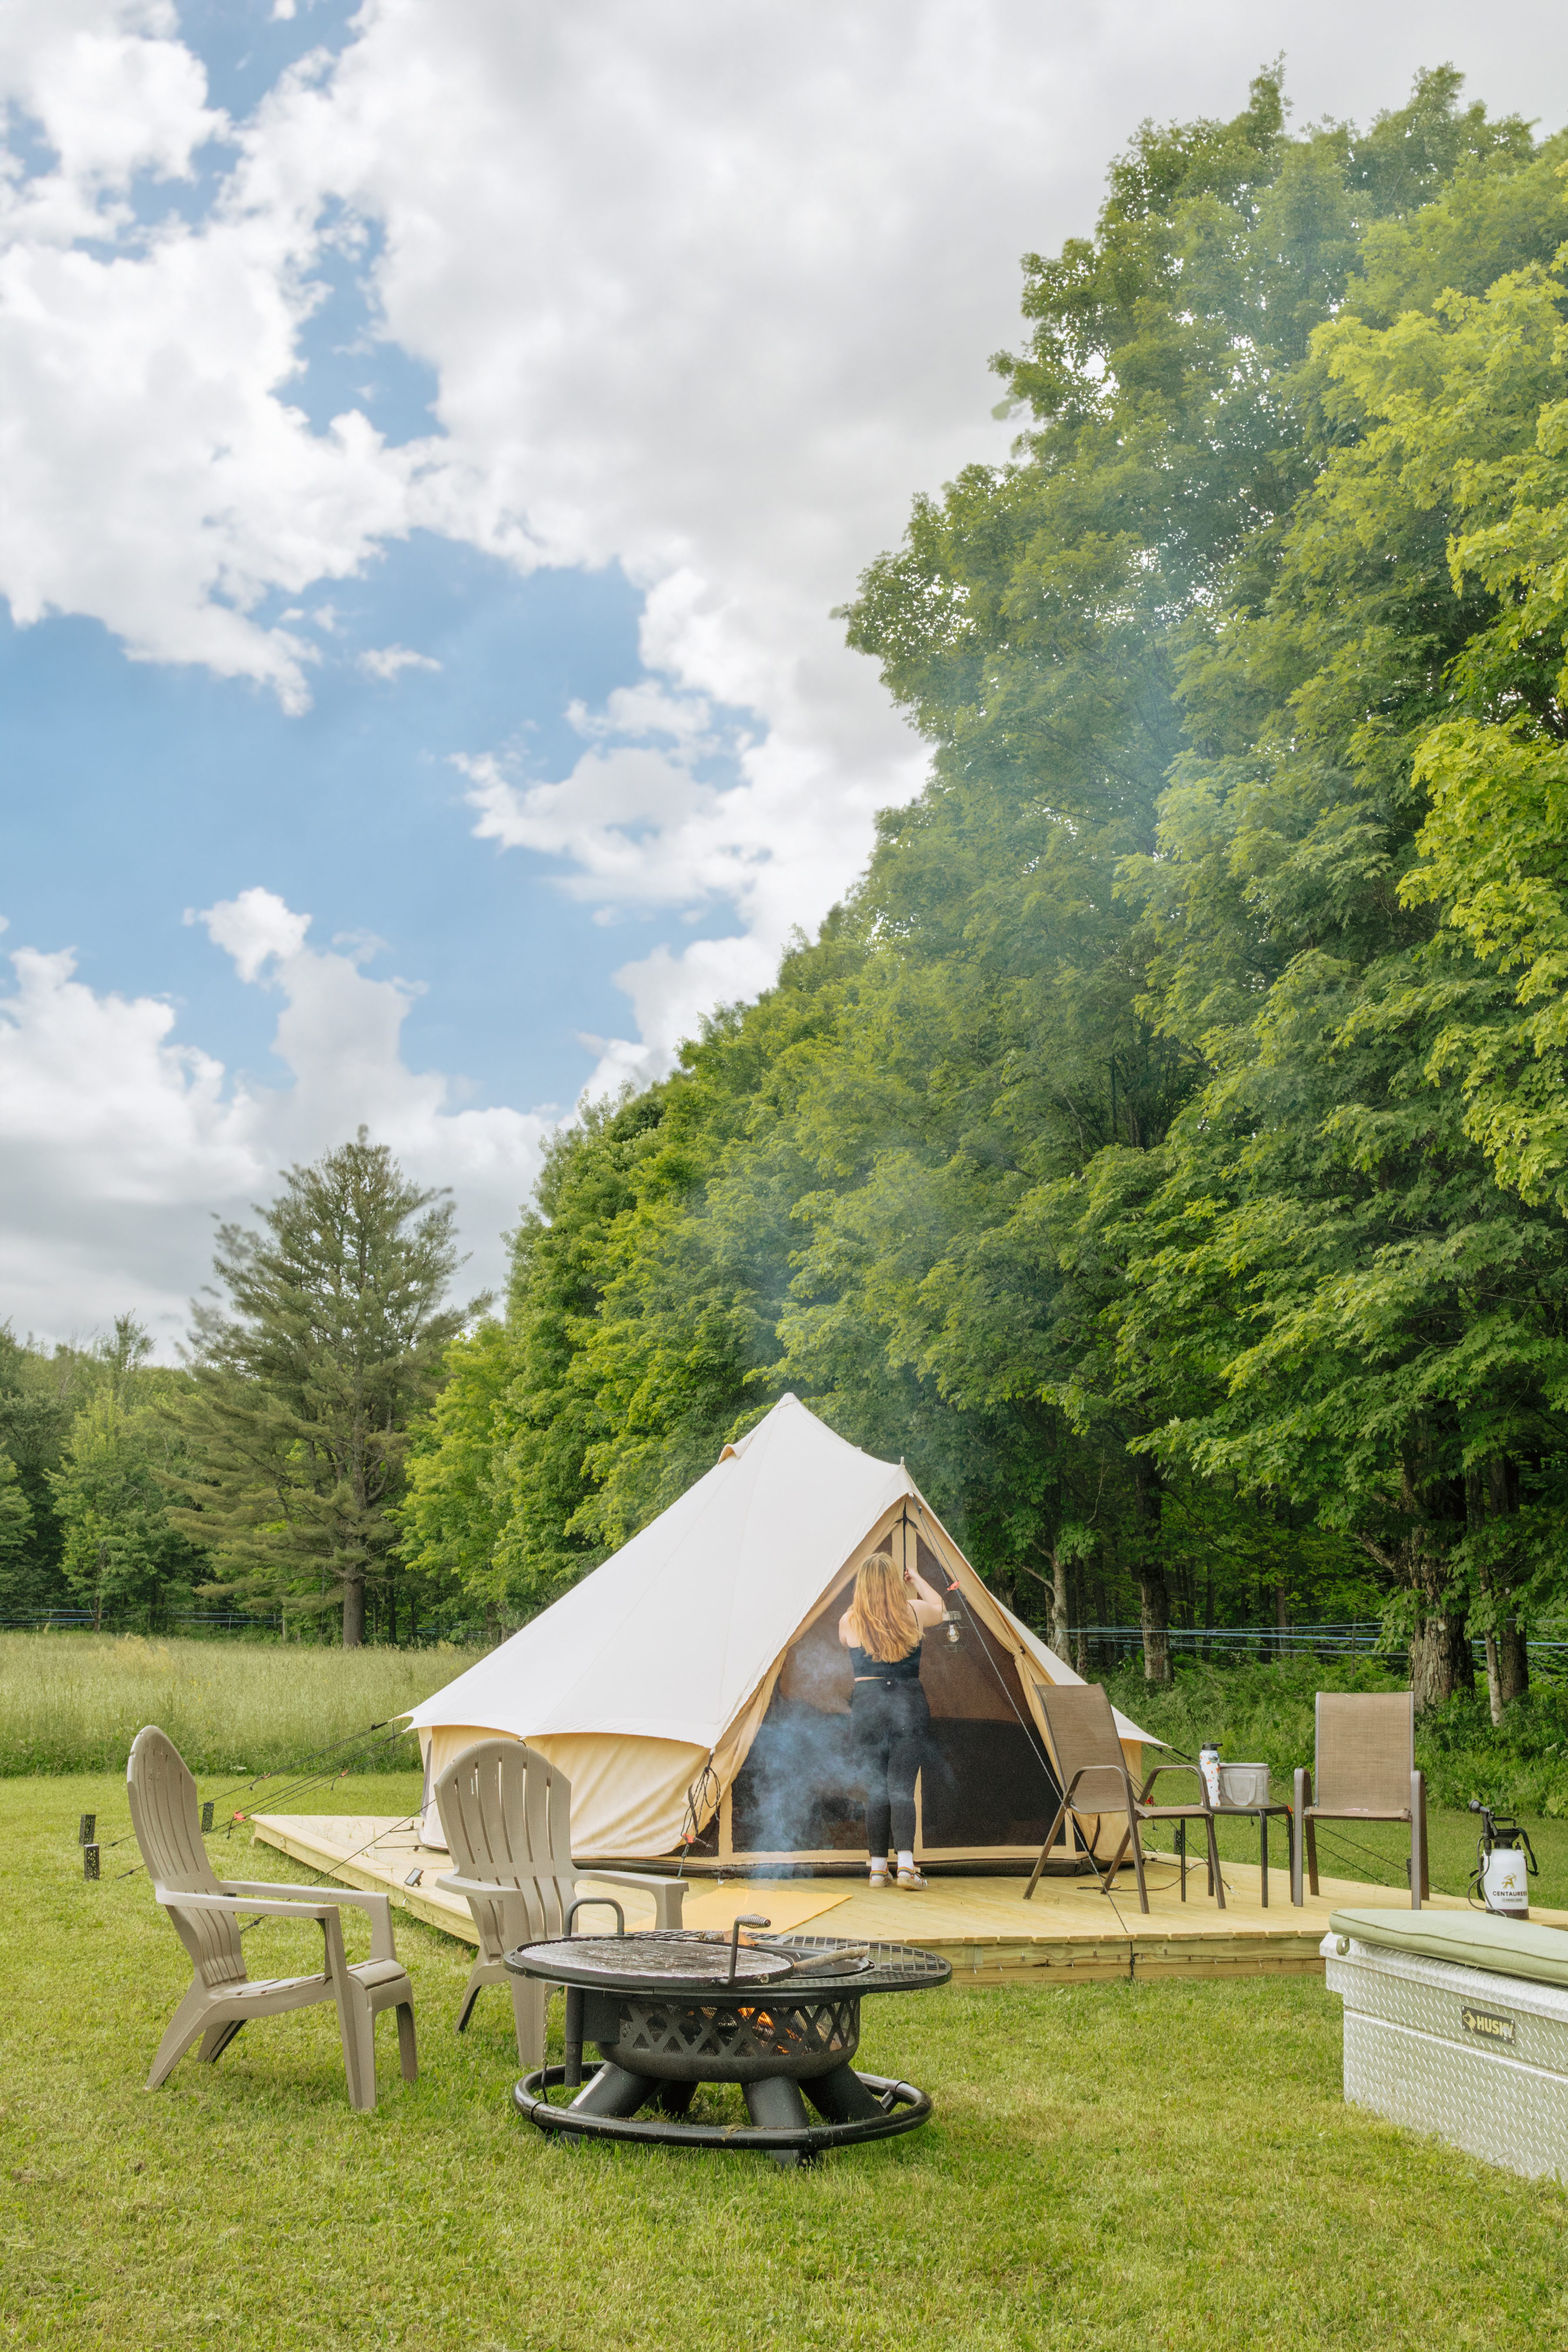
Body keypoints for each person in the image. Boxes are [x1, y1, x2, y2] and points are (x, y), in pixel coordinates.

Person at [839, 1547, 946, 1890]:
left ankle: (875, 1869)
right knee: (901, 1786)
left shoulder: (849, 1620)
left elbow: (847, 1642)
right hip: (907, 1702)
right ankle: (905, 1867)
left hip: (868, 1705)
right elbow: (940, 1610)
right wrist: (915, 1578)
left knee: (875, 1789)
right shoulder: (912, 1612)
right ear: (893, 1584)